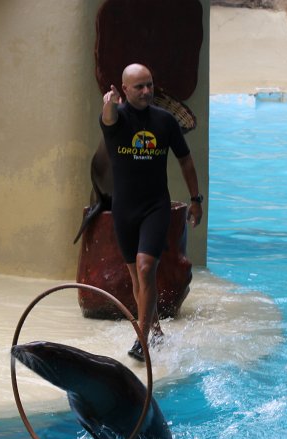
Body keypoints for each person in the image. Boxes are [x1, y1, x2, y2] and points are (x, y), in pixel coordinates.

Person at [100, 63, 203, 362]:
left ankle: (142, 339)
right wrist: (109, 104)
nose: (147, 91)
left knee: (146, 269)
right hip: (125, 208)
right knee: (136, 277)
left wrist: (195, 199)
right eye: (139, 87)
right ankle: (154, 328)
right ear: (126, 90)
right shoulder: (117, 120)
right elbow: (107, 119)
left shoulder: (165, 121)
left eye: (150, 85)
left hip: (155, 206)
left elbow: (185, 160)